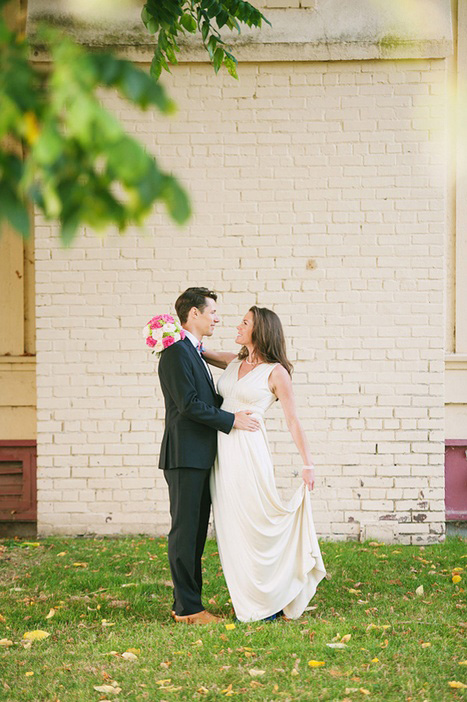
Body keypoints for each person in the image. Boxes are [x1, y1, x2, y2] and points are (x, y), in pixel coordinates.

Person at [203, 306, 326, 622]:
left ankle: (270, 599)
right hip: (223, 453)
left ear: (260, 331)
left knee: (257, 523)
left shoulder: (276, 372)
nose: (238, 325)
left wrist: (308, 464)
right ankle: (249, 596)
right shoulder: (234, 362)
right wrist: (172, 334)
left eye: (244, 322)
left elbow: (293, 420)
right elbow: (200, 350)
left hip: (249, 451)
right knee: (233, 527)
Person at [158, 287, 260, 625]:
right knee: (186, 533)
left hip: (200, 456)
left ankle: (188, 603)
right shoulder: (175, 353)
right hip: (185, 456)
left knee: (196, 533)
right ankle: (188, 610)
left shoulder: (193, 352)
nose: (217, 318)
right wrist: (232, 421)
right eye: (212, 312)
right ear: (194, 314)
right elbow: (188, 404)